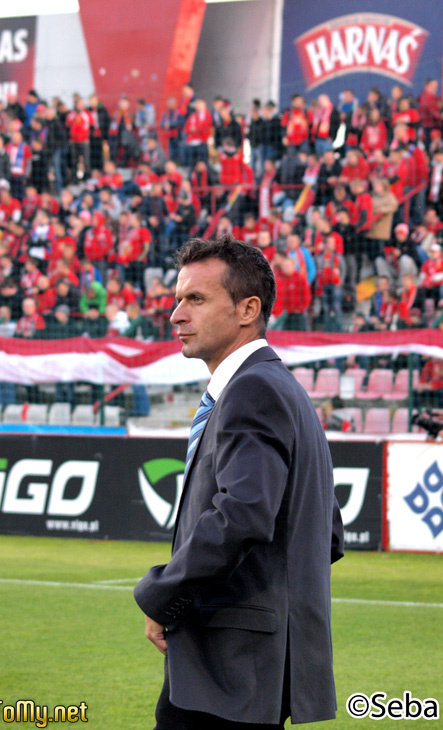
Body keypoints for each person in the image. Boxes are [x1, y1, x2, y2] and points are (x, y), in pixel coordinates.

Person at [134, 235, 344, 729]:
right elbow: (328, 532)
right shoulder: (280, 386)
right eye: (178, 299)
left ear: (248, 309)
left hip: (228, 668)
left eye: (196, 299)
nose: (176, 315)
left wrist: (164, 595)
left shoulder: (252, 389)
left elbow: (242, 514)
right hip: (248, 666)